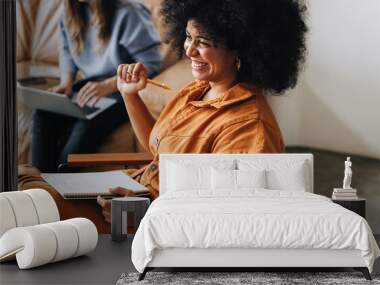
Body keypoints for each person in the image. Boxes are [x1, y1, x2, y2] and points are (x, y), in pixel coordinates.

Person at [19, 0, 308, 232]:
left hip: (143, 221)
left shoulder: (249, 127)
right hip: (130, 193)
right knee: (28, 186)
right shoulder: (197, 91)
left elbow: (225, 218)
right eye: (188, 37)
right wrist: (129, 94)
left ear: (241, 49)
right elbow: (159, 150)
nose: (189, 50)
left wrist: (141, 213)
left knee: (29, 205)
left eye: (203, 42)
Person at [31, 0, 162, 172]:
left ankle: (62, 183)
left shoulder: (129, 12)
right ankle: (40, 185)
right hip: (93, 84)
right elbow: (66, 50)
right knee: (44, 112)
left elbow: (151, 64)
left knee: (86, 123)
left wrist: (109, 84)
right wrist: (66, 82)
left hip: (123, 89)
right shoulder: (69, 10)